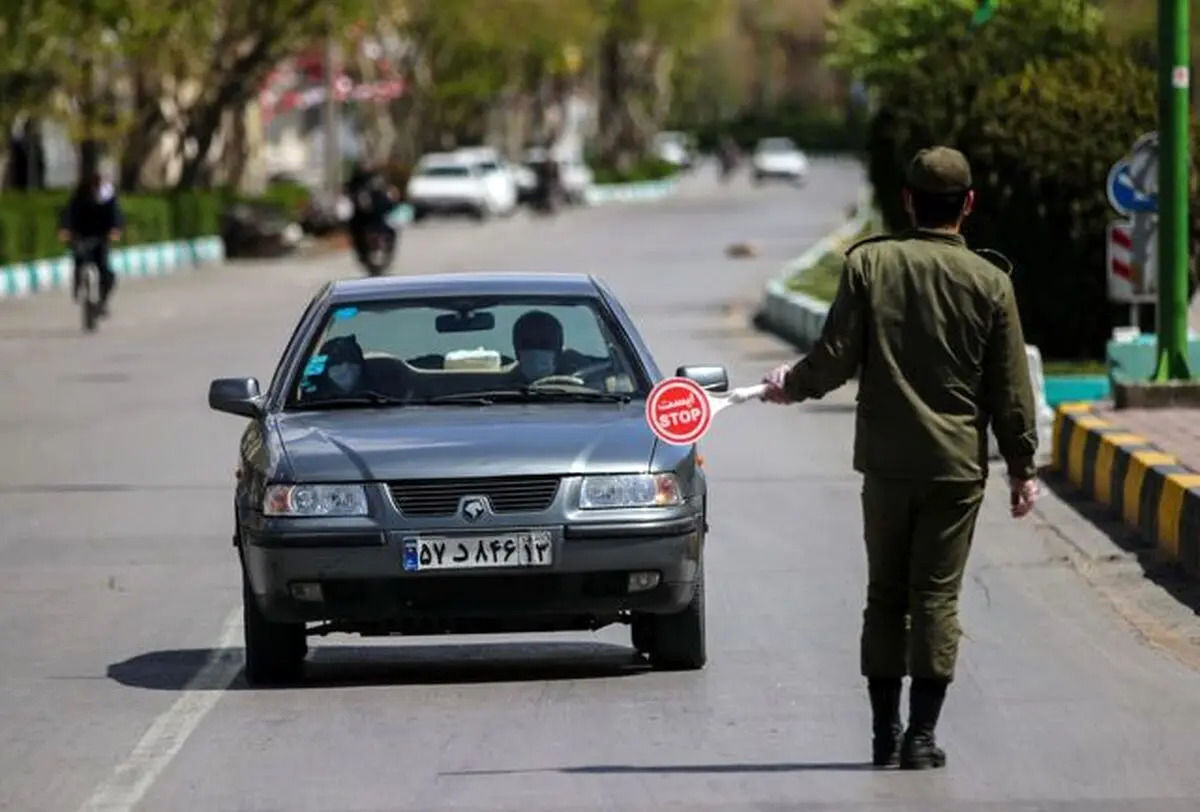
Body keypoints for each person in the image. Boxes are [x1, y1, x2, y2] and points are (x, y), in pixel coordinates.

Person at [759, 146, 1040, 771]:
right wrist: (1022, 467)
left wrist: (789, 386)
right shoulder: (992, 282)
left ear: (908, 200)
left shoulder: (870, 266)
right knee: (936, 598)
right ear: (968, 205)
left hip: (885, 465)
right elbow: (1011, 390)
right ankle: (921, 735)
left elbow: (833, 357)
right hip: (955, 469)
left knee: (885, 595)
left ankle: (883, 734)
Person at [58, 172, 124, 314]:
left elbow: (116, 215)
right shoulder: (79, 197)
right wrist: (65, 229)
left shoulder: (107, 197)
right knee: (79, 261)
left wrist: (115, 230)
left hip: (101, 238)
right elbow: (68, 213)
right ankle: (77, 285)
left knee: (106, 272)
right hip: (82, 236)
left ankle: (102, 301)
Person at [345, 161, 398, 265]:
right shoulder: (356, 184)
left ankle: (384, 247)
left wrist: (391, 197)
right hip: (362, 217)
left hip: (378, 215)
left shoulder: (379, 182)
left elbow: (389, 198)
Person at [511, 310, 565, 382]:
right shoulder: (498, 389)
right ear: (516, 349)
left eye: (544, 344)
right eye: (527, 344)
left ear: (559, 349)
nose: (535, 351)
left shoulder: (579, 387)